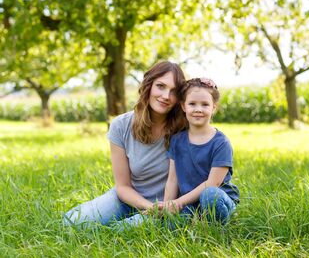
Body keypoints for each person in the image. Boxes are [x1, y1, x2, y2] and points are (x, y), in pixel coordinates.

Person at [63, 61, 187, 228]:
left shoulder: (185, 127)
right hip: (129, 198)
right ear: (148, 86)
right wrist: (149, 207)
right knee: (72, 222)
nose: (166, 96)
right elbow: (122, 186)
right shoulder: (121, 125)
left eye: (173, 91)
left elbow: (206, 110)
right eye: (161, 86)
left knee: (119, 232)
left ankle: (134, 223)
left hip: (169, 205)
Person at [161, 78, 239, 225]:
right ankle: (196, 220)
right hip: (189, 202)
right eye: (192, 104)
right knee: (170, 225)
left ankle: (215, 227)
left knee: (209, 196)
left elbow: (212, 183)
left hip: (216, 198)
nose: (198, 109)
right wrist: (168, 206)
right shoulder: (177, 140)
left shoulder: (221, 143)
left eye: (205, 104)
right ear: (184, 106)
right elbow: (173, 180)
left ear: (213, 108)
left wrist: (178, 203)